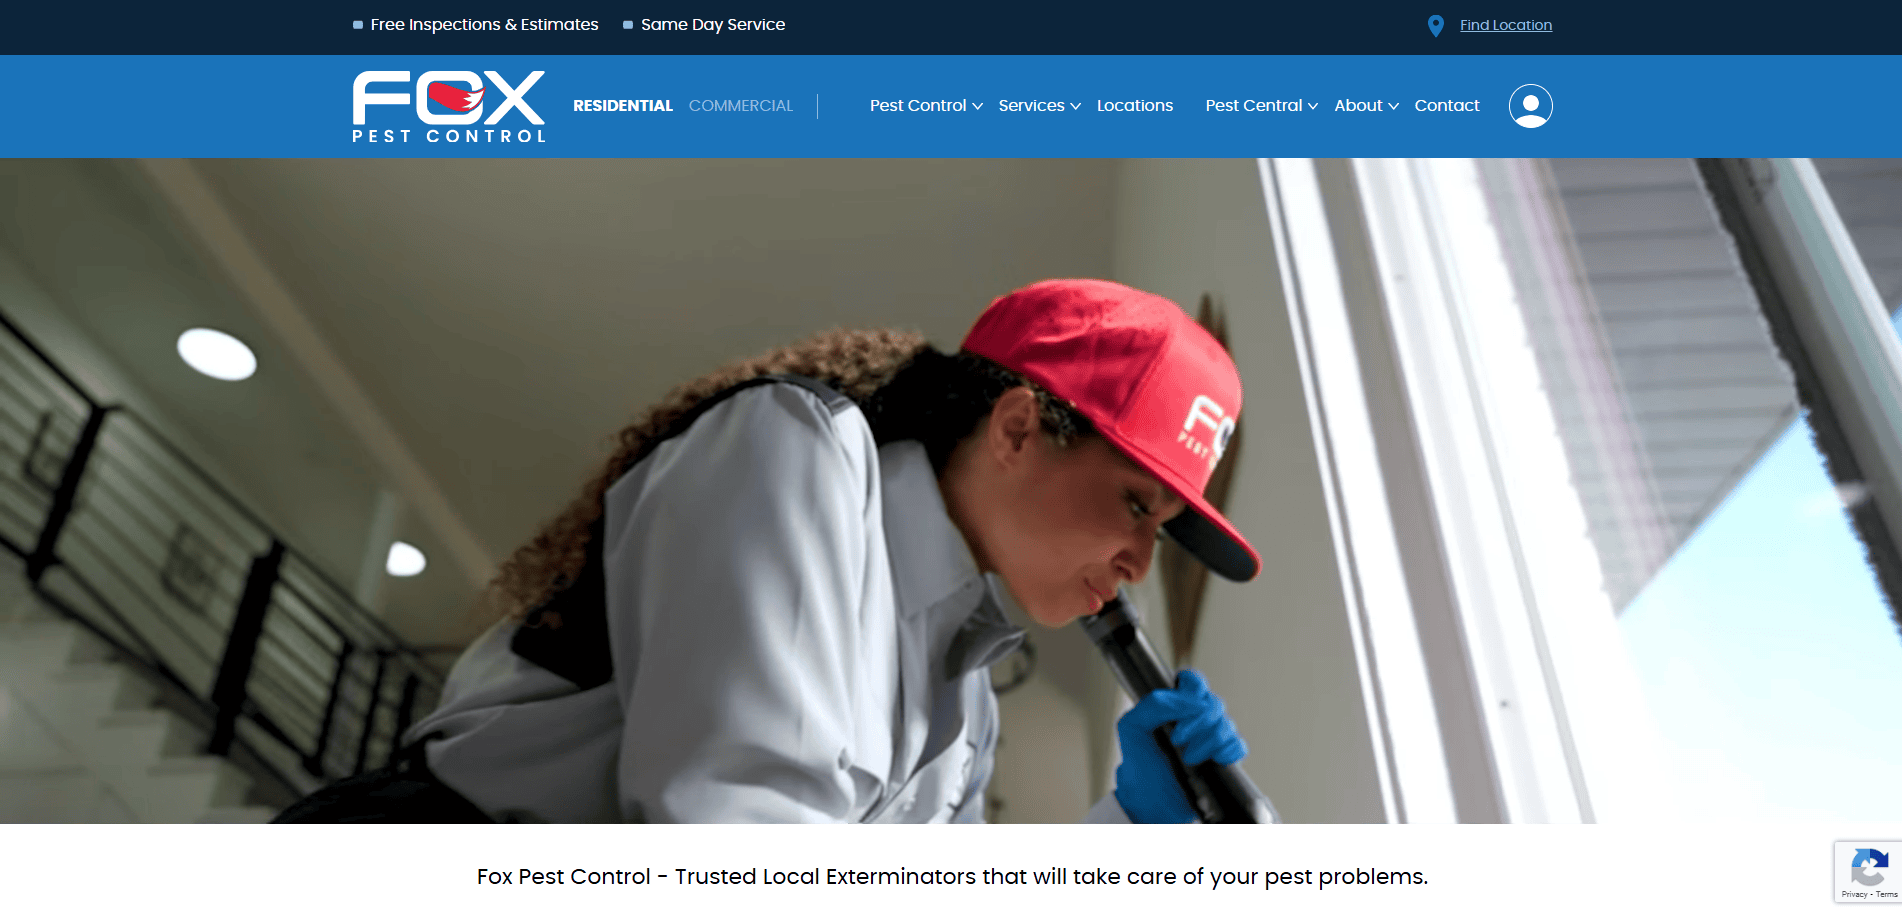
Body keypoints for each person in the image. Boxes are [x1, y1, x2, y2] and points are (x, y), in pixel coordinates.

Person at [275, 278, 1262, 823]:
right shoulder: (799, 453)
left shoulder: (966, 706)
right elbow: (734, 830)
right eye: (1136, 501)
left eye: (1162, 526)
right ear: (1014, 427)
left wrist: (1132, 837)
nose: (1140, 557)